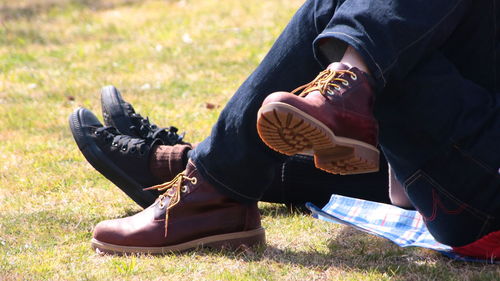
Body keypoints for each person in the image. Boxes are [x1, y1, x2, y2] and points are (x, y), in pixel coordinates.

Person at [69, 0, 500, 259]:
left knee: (355, 22)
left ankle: (207, 181)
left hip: (484, 205)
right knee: (364, 24)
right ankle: (202, 170)